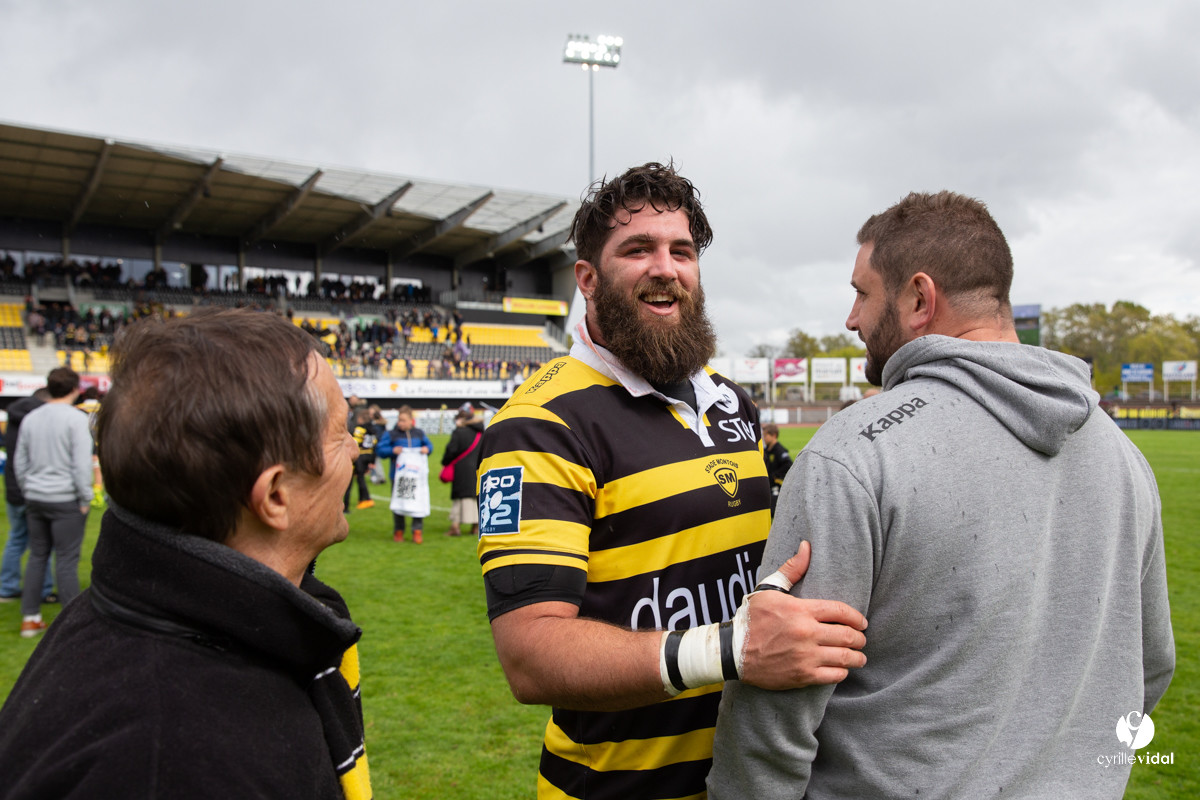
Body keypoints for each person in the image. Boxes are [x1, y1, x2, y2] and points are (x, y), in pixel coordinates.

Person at [709, 191, 1175, 799]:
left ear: (919, 299)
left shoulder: (853, 452)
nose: (851, 319)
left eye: (862, 293)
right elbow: (1149, 666)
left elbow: (778, 701)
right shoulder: (1124, 456)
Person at [476, 162, 868, 799]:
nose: (666, 267)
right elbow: (531, 655)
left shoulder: (731, 403)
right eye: (637, 249)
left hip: (753, 783)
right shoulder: (541, 425)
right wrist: (731, 650)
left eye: (681, 251)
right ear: (587, 280)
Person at [0, 308, 371, 798]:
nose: (355, 451)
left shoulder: (143, 610)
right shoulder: (175, 760)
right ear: (275, 495)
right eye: (342, 432)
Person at [14, 368, 92, 636]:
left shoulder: (31, 419)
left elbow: (20, 462)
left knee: (37, 556)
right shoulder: (77, 420)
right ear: (75, 389)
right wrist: (85, 497)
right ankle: (72, 625)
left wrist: (29, 489)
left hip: (36, 497)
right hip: (65, 499)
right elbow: (82, 465)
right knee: (67, 560)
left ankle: (30, 618)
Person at [0, 387, 55, 604]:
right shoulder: (37, 420)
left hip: (15, 487)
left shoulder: (16, 418)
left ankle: (7, 586)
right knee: (41, 544)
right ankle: (43, 590)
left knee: (17, 539)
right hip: (32, 488)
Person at [377, 405, 433, 542]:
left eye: (403, 420)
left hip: (416, 478)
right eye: (399, 420)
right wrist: (392, 451)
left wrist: (427, 449)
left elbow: (430, 446)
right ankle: (399, 531)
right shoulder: (391, 434)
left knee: (417, 502)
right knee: (399, 503)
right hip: (397, 476)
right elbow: (380, 449)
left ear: (411, 420)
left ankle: (417, 531)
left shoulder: (419, 433)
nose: (400, 423)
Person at [442, 402, 483, 537]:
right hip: (478, 467)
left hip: (461, 469)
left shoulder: (459, 432)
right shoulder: (481, 432)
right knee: (476, 496)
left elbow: (451, 450)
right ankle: (476, 527)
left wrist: (445, 462)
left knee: (460, 498)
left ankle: (455, 527)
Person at [344, 406, 379, 511]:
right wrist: (372, 460)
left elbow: (355, 443)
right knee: (361, 478)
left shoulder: (359, 429)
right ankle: (362, 500)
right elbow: (375, 445)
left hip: (360, 456)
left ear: (360, 419)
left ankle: (363, 500)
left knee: (357, 480)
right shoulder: (373, 430)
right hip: (369, 456)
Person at [761, 422, 793, 516]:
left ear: (774, 435)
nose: (764, 438)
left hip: (776, 487)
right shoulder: (767, 450)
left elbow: (788, 464)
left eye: (765, 435)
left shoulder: (780, 450)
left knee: (773, 512)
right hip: (768, 485)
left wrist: (775, 476)